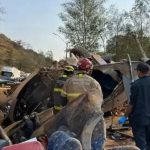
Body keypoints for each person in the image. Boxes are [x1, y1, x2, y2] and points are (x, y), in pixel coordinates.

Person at [61, 58, 106, 149]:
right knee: (92, 139)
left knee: (75, 139)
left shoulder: (68, 81)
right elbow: (99, 102)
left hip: (72, 117)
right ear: (88, 69)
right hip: (89, 117)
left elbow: (63, 99)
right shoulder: (93, 82)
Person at [118, 62, 150, 150]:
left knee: (141, 144)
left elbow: (131, 104)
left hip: (139, 119)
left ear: (139, 72)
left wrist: (125, 117)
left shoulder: (136, 85)